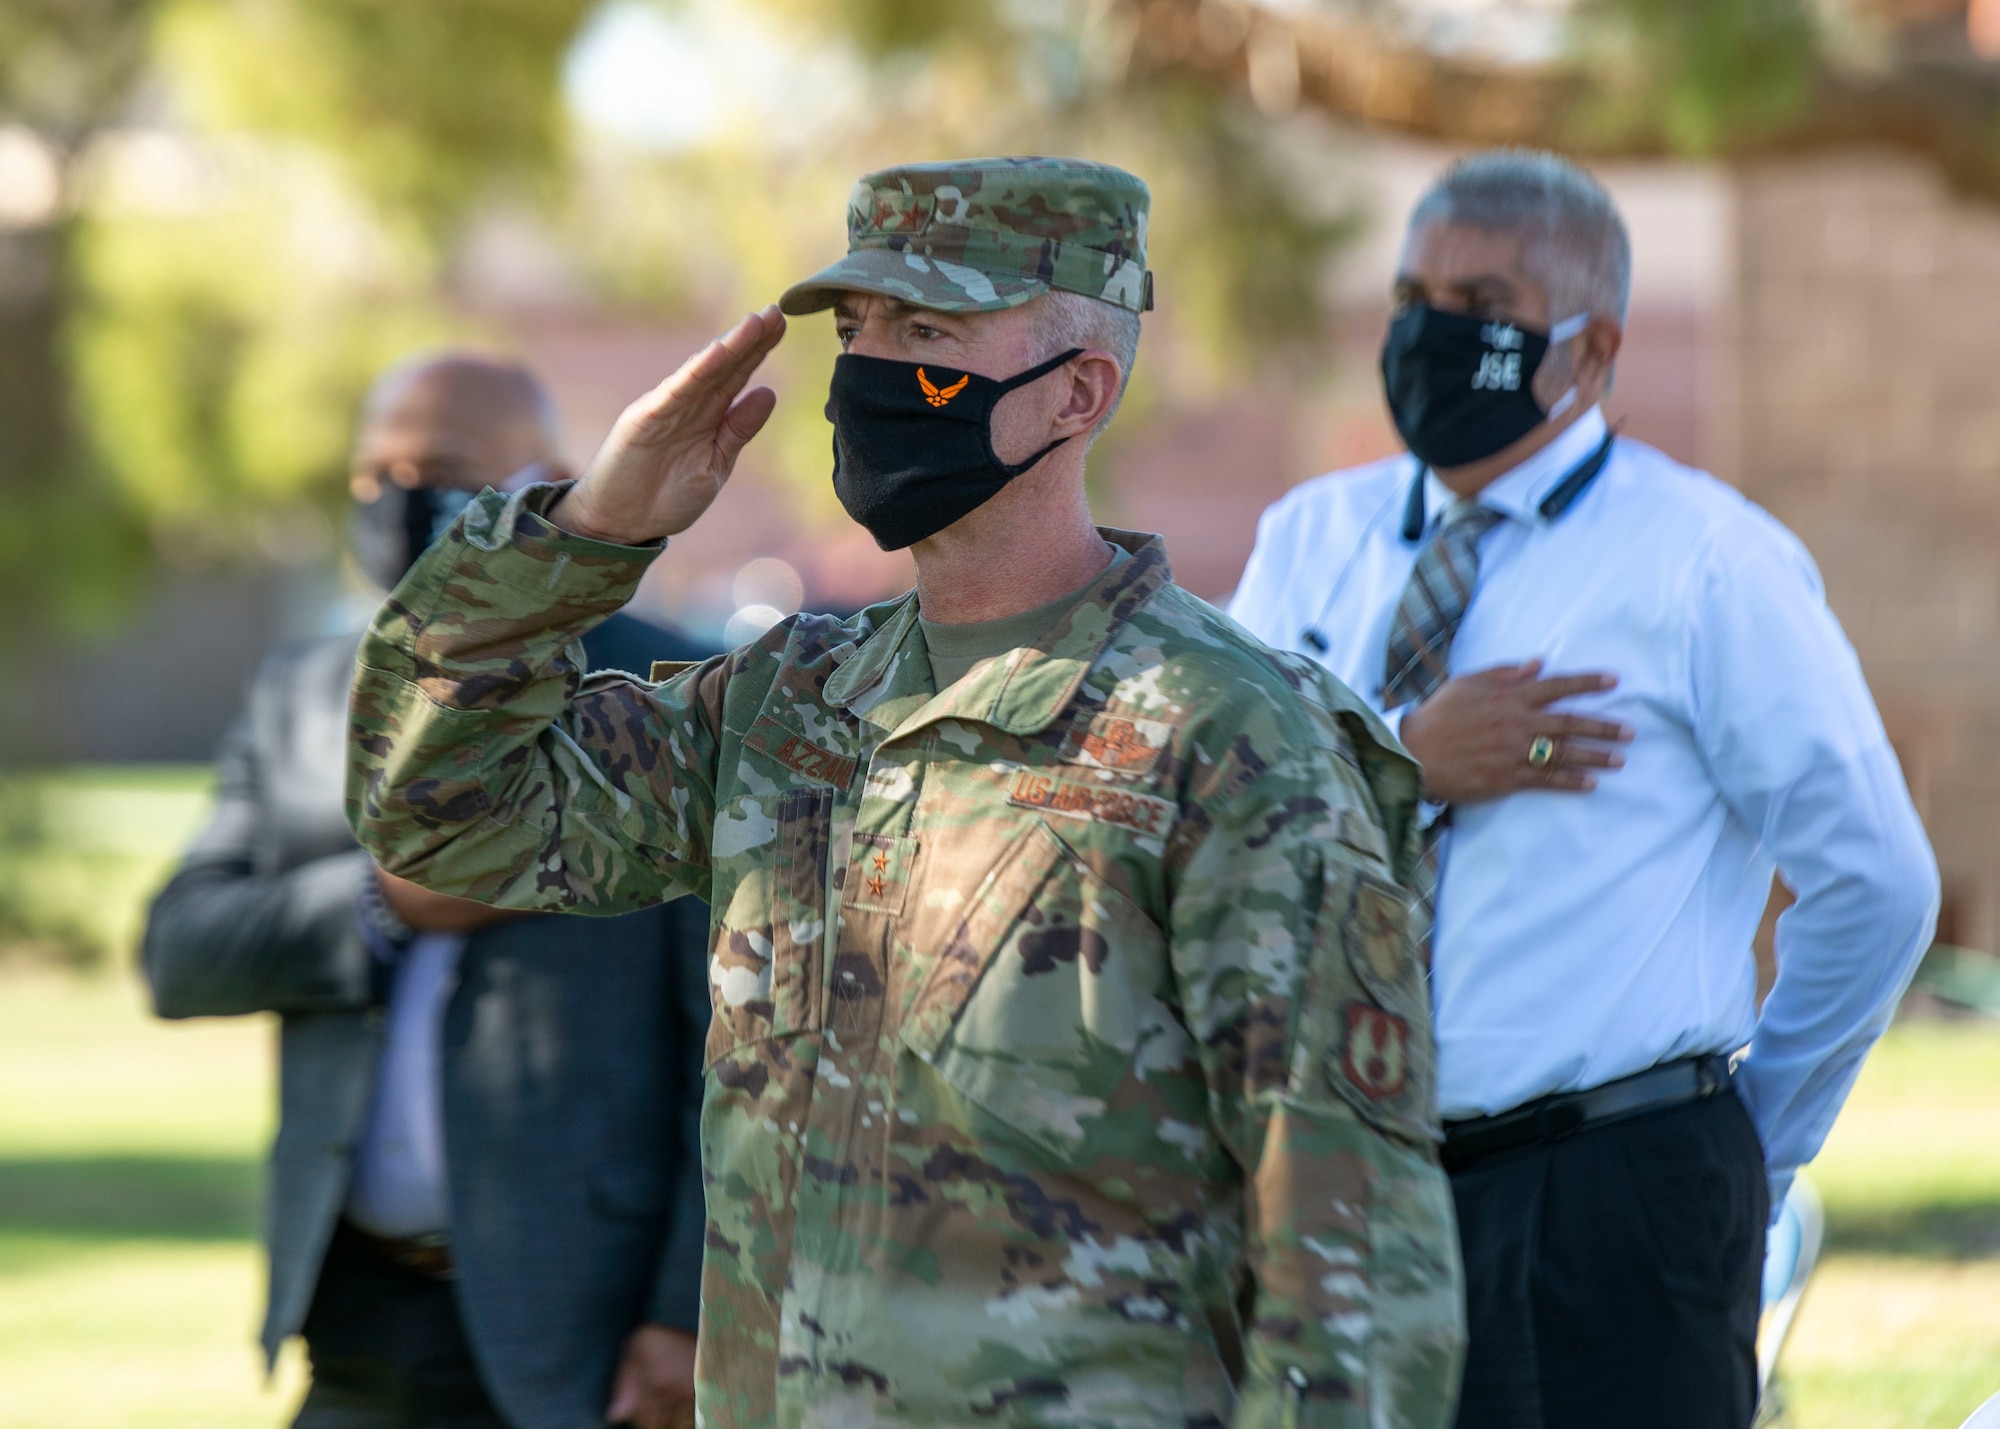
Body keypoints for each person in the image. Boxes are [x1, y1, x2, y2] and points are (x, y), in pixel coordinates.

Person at [343, 158, 1465, 1428]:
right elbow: (439, 812)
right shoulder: (789, 704)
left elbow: (1349, 1253)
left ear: (1074, 394)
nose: (871, 376)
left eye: (926, 335)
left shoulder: (1227, 736)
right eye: (854, 331)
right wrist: (585, 533)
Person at [1226, 149, 1940, 1429]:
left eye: (1481, 307)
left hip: (1603, 1196)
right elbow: (1212, 818)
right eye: (1410, 295)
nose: (1430, 334)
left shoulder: (1703, 561)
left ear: (1592, 349)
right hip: (1339, 1191)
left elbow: (1873, 884)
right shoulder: (1305, 541)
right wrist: (1404, 757)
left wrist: (1742, 1145)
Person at [143, 354, 715, 1429]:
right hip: (356, 1316)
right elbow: (181, 949)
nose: (400, 500)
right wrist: (389, 902)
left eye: (441, 470)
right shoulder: (304, 697)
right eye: (375, 475)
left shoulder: (666, 700)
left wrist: (686, 1308)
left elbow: (725, 1045)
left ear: (547, 480)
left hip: (584, 1346)